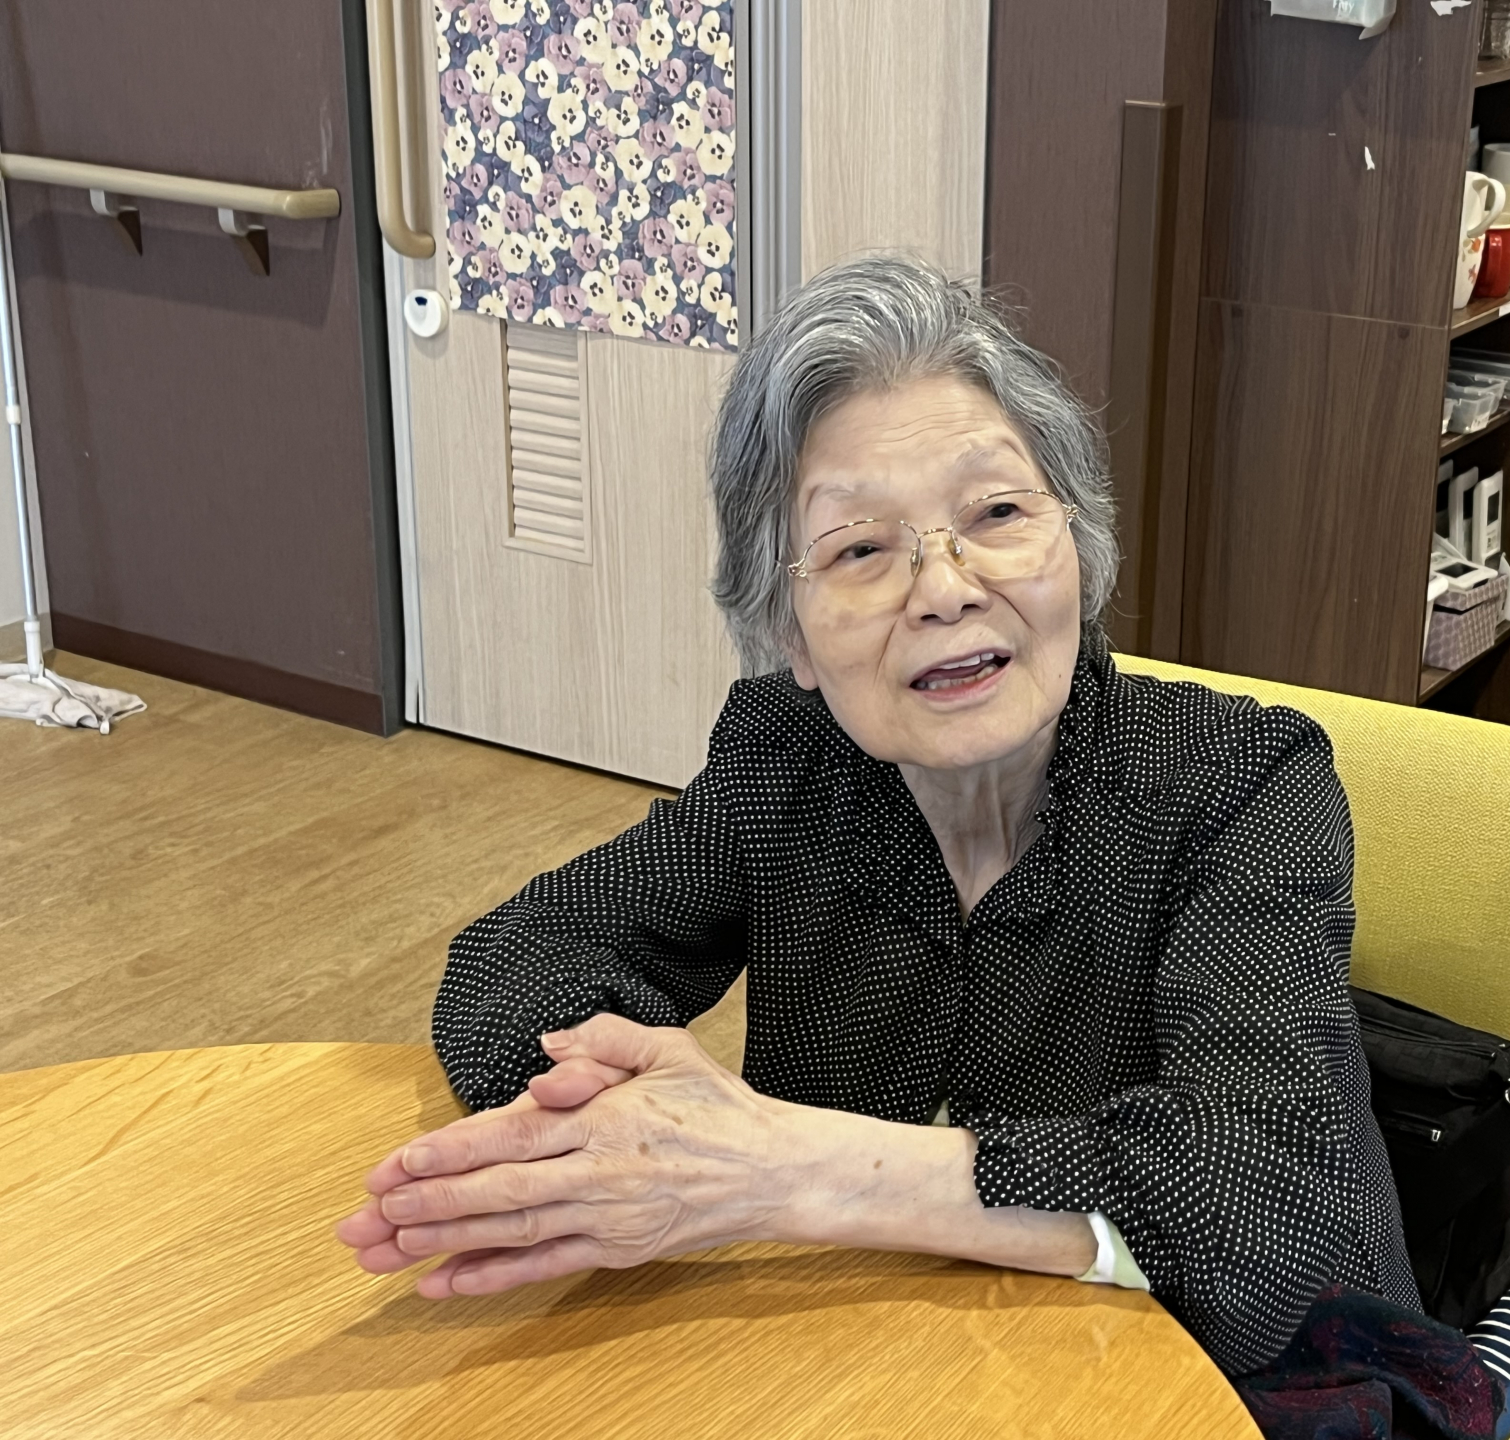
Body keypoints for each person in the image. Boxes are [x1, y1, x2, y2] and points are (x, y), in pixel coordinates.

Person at [335, 255, 1419, 1382]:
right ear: (789, 634)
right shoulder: (789, 760)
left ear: (1080, 550)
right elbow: (520, 956)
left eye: (996, 513)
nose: (945, 589)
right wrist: (642, 1124)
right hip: (883, 1364)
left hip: (1242, 1385)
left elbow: (1265, 1199)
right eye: (860, 548)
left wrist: (774, 1166)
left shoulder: (1240, 782)